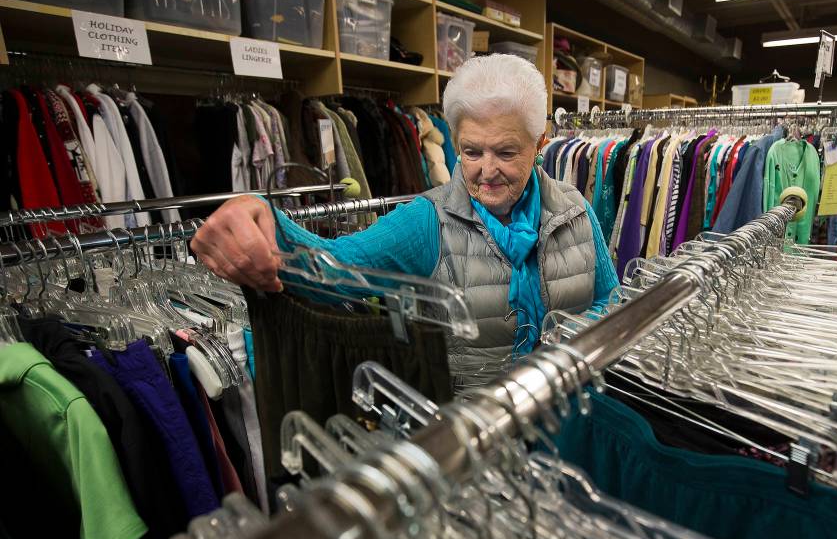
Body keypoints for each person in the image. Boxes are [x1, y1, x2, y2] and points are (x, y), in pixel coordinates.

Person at [192, 54, 619, 377]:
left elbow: (609, 303)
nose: (487, 171)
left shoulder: (573, 210)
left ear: (540, 142)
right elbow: (334, 268)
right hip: (475, 450)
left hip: (573, 426)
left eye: (506, 152)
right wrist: (261, 217)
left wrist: (567, 355)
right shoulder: (426, 221)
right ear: (454, 139)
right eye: (471, 151)